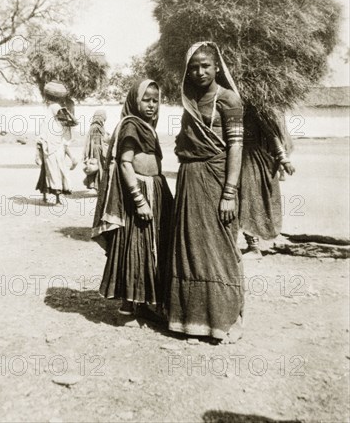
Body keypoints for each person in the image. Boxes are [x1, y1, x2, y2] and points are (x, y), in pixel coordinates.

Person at [165, 41, 244, 344]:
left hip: (218, 179)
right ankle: (189, 319)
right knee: (188, 244)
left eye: (205, 66)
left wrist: (230, 192)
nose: (199, 72)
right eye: (194, 67)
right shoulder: (190, 102)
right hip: (189, 179)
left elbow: (236, 146)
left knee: (220, 246)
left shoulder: (229, 100)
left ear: (217, 67)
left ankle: (224, 317)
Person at [92, 79, 173, 318]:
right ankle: (132, 299)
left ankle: (144, 299)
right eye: (146, 100)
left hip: (155, 188)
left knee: (151, 244)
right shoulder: (130, 126)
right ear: (134, 101)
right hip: (140, 191)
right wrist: (139, 199)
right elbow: (125, 163)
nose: (151, 105)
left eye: (155, 101)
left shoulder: (148, 126)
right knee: (137, 245)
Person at [239, 106, 295, 258]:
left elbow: (272, 135)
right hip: (236, 156)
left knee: (249, 200)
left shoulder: (255, 111)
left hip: (252, 159)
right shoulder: (231, 106)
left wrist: (283, 158)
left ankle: (254, 247)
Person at [36, 98, 78, 205]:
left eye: (59, 112)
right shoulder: (46, 125)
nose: (59, 113)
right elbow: (40, 141)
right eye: (57, 111)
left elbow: (74, 122)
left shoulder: (60, 124)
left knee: (59, 174)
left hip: (59, 153)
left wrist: (66, 112)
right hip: (48, 154)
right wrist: (38, 155)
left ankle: (57, 199)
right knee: (48, 174)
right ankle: (46, 196)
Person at [83, 109, 109, 191]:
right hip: (97, 150)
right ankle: (99, 186)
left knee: (99, 167)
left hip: (97, 149)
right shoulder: (96, 127)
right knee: (98, 167)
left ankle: (98, 186)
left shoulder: (96, 126)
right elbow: (92, 141)